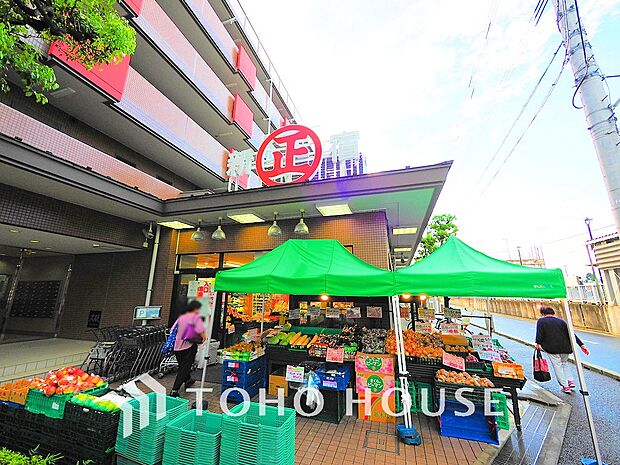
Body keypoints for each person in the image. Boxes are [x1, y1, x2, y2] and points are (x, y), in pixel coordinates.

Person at [535, 306, 589, 393]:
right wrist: (581, 345)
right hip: (565, 347)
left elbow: (540, 334)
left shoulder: (541, 321)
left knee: (558, 366)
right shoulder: (561, 321)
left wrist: (537, 343)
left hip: (552, 348)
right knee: (564, 363)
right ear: (553, 313)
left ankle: (565, 386)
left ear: (543, 314)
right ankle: (570, 381)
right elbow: (571, 334)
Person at [171, 300, 206, 397]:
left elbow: (172, 330)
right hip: (188, 347)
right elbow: (202, 333)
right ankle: (175, 389)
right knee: (184, 368)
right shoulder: (195, 318)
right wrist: (203, 339)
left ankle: (188, 380)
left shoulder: (181, 318)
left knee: (183, 365)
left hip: (177, 347)